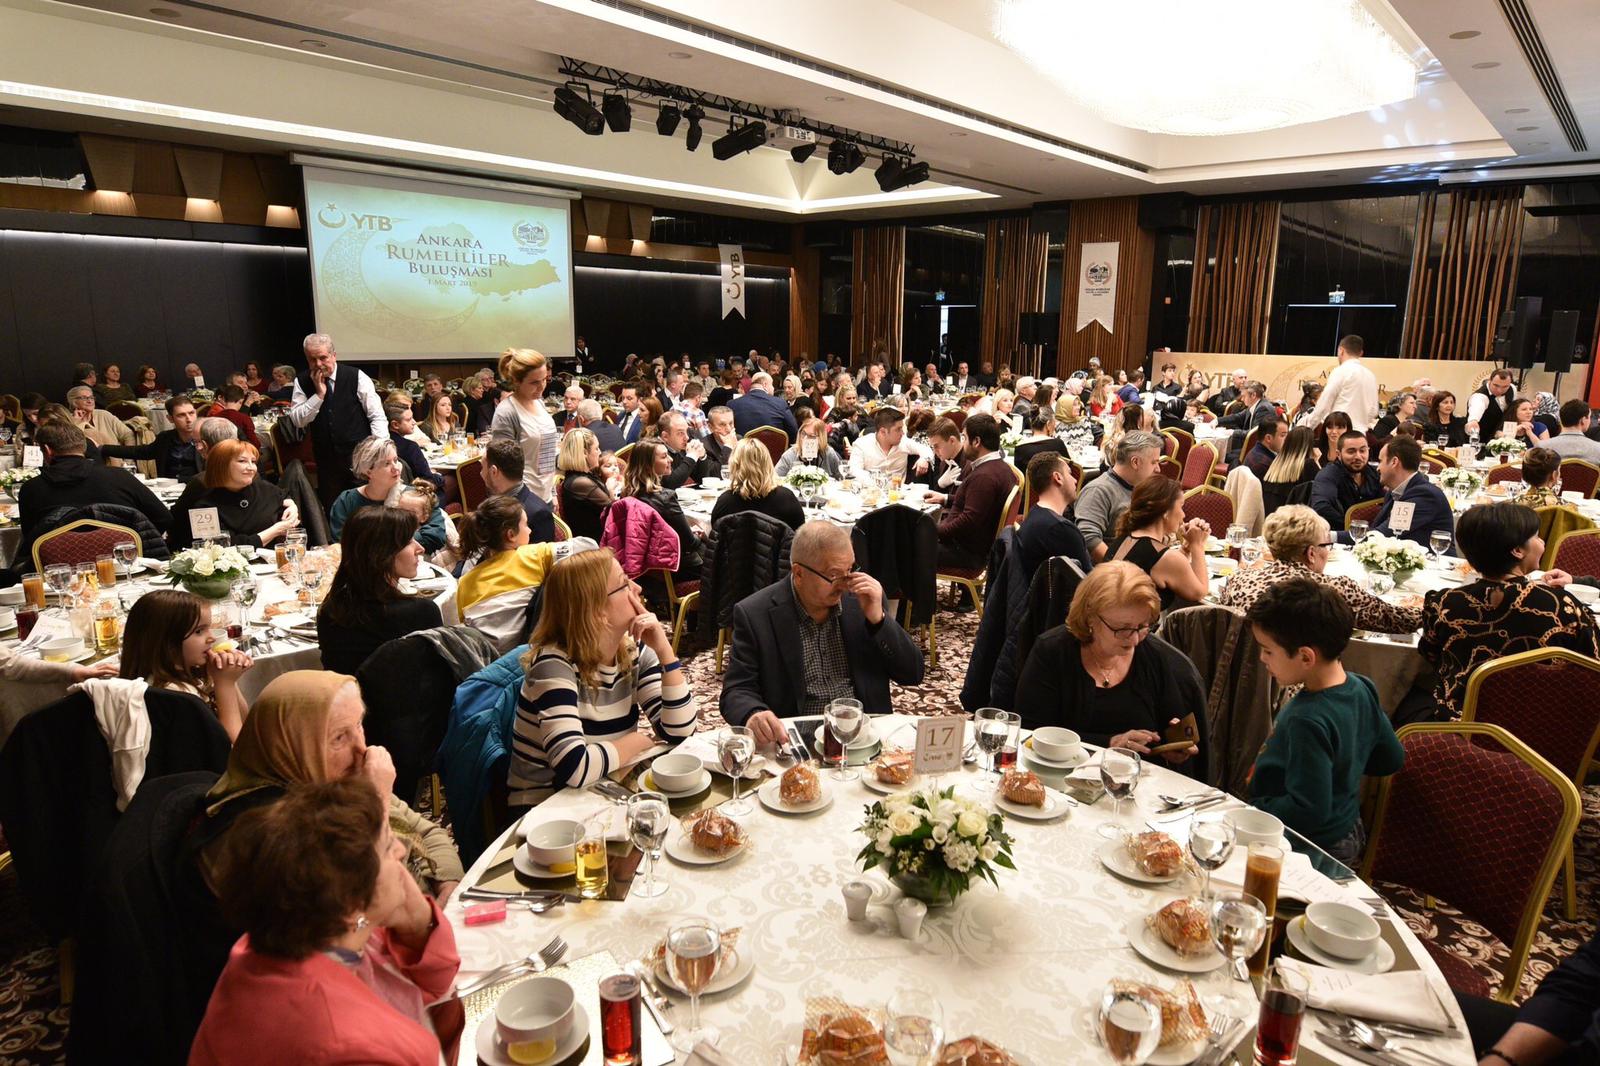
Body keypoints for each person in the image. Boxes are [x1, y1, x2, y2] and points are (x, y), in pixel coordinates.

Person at [188, 777, 459, 1066]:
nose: (401, 851)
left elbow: (438, 992)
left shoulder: (317, 930)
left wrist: (420, 925)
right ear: (352, 901)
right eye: (387, 846)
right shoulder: (349, 1050)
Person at [508, 548, 696, 805]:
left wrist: (665, 652)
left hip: (602, 789)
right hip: (546, 811)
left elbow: (680, 731)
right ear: (597, 610)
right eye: (624, 584)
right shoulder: (552, 666)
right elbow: (574, 768)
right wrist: (635, 741)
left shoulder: (634, 650)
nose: (637, 589)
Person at [1245, 579, 1404, 863]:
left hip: (1307, 845)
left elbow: (1308, 811)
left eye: (1268, 650)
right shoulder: (1361, 686)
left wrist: (1257, 809)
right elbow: (1390, 759)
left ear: (1306, 656)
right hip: (1348, 828)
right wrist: (1346, 763)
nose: (1262, 658)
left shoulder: (1305, 718)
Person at [721, 521, 923, 743]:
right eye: (834, 575)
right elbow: (737, 690)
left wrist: (879, 620)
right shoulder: (755, 614)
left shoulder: (863, 601)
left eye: (850, 570)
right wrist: (754, 714)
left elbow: (912, 673)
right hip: (797, 741)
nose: (844, 584)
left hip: (862, 739)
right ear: (798, 573)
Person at [1013, 562, 1203, 769]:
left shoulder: (1153, 656)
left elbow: (1168, 725)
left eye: (1141, 627)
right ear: (1090, 618)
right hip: (1060, 778)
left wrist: (1173, 747)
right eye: (1121, 629)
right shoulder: (1052, 652)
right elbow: (1031, 734)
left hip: (1137, 784)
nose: (1134, 641)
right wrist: (1109, 744)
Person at [1419, 502, 1599, 718]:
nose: (1542, 543)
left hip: (1457, 727)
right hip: (1539, 730)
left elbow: (1430, 653)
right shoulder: (1561, 606)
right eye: (1536, 537)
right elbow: (1592, 666)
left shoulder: (1444, 602)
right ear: (1517, 550)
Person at [1217, 505, 1421, 633]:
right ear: (1311, 553)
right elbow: (1397, 620)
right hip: (1303, 686)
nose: (1328, 550)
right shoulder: (1330, 591)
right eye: (1326, 545)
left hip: (1242, 682)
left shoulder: (1240, 580)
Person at [16, 420, 170, 568]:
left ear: (47, 450)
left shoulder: (31, 489)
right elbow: (163, 518)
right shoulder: (119, 477)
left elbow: (33, 540)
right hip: (126, 569)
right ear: (84, 447)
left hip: (62, 576)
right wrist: (131, 541)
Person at [318, 507, 443, 677]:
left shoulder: (331, 610)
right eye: (407, 541)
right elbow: (438, 679)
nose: (420, 548)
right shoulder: (421, 612)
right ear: (381, 553)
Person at [119, 588, 253, 741]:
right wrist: (225, 684)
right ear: (167, 643)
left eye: (209, 628)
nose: (211, 638)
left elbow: (244, 722)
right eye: (199, 631)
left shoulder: (189, 673)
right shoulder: (176, 696)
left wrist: (225, 676)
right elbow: (236, 750)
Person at [284, 334, 388, 512]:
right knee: (334, 509)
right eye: (312, 359)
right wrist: (318, 396)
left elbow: (376, 416)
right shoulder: (302, 381)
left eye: (323, 357)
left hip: (360, 457)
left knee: (366, 509)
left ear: (334, 355)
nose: (318, 364)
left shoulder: (356, 376)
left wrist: (378, 451)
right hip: (327, 461)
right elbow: (298, 420)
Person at [167, 440, 297, 552]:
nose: (251, 468)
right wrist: (276, 530)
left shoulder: (261, 487)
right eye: (242, 461)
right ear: (221, 465)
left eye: (253, 461)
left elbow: (283, 494)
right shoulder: (203, 504)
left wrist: (292, 506)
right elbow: (223, 548)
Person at [1104, 476, 1210, 611]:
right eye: (1181, 507)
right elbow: (1199, 592)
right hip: (1130, 629)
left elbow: (1160, 564)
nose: (1183, 515)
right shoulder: (1164, 557)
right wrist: (1197, 545)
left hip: (1108, 622)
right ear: (1166, 511)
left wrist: (1187, 547)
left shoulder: (1126, 537)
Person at [329, 437, 446, 553]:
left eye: (396, 460)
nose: (396, 468)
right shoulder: (346, 501)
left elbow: (436, 536)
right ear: (368, 471)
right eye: (386, 464)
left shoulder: (419, 495)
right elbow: (342, 545)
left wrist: (379, 542)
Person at [935, 414, 1015, 574]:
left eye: (964, 438)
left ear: (976, 442)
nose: (962, 444)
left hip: (966, 553)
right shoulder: (1000, 467)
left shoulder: (984, 476)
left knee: (907, 545)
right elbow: (977, 504)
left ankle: (912, 598)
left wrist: (935, 531)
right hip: (973, 547)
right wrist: (945, 499)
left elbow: (968, 520)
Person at [1341, 436, 1453, 549]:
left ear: (1394, 462)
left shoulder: (1425, 495)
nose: (1378, 468)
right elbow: (1376, 530)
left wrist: (1331, 536)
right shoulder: (1394, 491)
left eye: (1380, 461)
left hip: (1435, 563)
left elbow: (1381, 535)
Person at [620, 440, 702, 581]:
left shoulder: (626, 494)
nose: (670, 459)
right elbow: (691, 544)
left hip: (647, 571)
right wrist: (700, 536)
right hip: (678, 569)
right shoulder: (665, 498)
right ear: (648, 466)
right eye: (664, 457)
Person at [1075, 430, 1162, 562]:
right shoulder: (1098, 491)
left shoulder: (1141, 487)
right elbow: (1088, 538)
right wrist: (1123, 569)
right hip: (1115, 574)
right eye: (1154, 462)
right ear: (1135, 462)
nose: (1158, 469)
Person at [488, 346, 558, 501]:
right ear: (516, 381)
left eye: (544, 380)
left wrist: (552, 493)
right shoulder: (507, 412)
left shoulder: (538, 402)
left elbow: (547, 454)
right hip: (522, 501)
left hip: (544, 496)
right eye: (534, 382)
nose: (541, 387)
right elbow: (503, 469)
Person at [1013, 453, 1091, 580]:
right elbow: (1089, 584)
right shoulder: (1060, 530)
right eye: (1070, 473)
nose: (1075, 480)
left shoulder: (1034, 515)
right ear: (1058, 478)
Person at [100, 393, 204, 479]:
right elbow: (139, 452)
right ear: (170, 419)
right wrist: (103, 448)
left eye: (191, 413)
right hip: (168, 489)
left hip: (197, 489)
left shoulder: (207, 437)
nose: (189, 419)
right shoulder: (165, 438)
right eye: (181, 415)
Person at [711, 438, 805, 531]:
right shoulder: (786, 498)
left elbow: (716, 538)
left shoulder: (725, 503)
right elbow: (799, 536)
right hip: (778, 546)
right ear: (767, 463)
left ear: (735, 466)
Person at [480, 437, 555, 544]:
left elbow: (540, 559)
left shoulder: (538, 515)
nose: (481, 473)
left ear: (493, 472)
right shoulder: (491, 501)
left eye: (482, 468)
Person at [1309, 430, 1383, 531]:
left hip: (1373, 534)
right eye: (1351, 452)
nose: (1358, 456)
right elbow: (1321, 508)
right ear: (1338, 454)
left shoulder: (1374, 473)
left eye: (1362, 451)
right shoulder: (1328, 475)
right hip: (1337, 535)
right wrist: (1354, 527)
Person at [1307, 334, 1379, 432]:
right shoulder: (1370, 375)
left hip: (1340, 432)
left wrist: (1309, 427)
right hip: (1361, 434)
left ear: (1341, 350)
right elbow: (1374, 410)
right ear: (1361, 353)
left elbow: (1325, 402)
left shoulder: (1340, 371)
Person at [556, 427, 612, 541]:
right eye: (596, 449)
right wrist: (610, 488)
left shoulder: (583, 476)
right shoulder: (580, 483)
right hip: (593, 544)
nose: (600, 452)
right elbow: (613, 509)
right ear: (585, 453)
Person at [849, 407, 929, 480]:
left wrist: (924, 459)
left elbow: (926, 449)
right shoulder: (862, 444)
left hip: (899, 493)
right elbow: (854, 470)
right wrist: (877, 481)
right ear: (883, 431)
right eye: (898, 429)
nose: (902, 433)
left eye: (902, 428)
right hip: (871, 492)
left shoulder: (903, 441)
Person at [383, 397, 442, 491]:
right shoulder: (410, 447)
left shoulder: (380, 444)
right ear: (395, 425)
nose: (414, 422)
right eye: (409, 419)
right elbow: (428, 480)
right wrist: (438, 476)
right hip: (413, 493)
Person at [1261, 426, 1320, 516]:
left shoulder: (1275, 465)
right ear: (1309, 446)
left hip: (1272, 521)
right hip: (1294, 524)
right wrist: (1317, 461)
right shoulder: (1308, 465)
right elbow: (1323, 490)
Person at [729, 371, 798, 440]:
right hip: (774, 449)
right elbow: (794, 432)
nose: (773, 388)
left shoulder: (732, 404)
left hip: (743, 449)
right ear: (765, 385)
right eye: (772, 385)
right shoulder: (780, 403)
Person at [66, 384, 135, 450]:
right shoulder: (68, 420)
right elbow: (72, 445)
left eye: (91, 397)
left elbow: (128, 434)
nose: (90, 401)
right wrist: (76, 422)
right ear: (73, 402)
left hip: (116, 457)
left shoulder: (104, 414)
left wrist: (128, 460)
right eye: (84, 398)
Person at [1012, 407, 1070, 472]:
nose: (1055, 426)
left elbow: (1019, 475)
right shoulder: (1057, 444)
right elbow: (1069, 469)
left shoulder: (1020, 447)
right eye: (1054, 423)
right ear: (1048, 424)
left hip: (1030, 482)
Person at [1466, 367, 1517, 441]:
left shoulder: (1512, 389)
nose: (1500, 390)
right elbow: (1476, 410)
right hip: (1481, 440)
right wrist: (1473, 421)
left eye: (1505, 387)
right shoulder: (1479, 397)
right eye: (1496, 385)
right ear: (1489, 381)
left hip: (1503, 439)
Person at [1546, 399, 1600, 464]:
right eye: (1589, 417)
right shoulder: (1598, 449)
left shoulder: (1543, 447)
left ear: (1561, 419)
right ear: (1583, 420)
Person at [1242, 413, 1289, 481]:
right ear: (1268, 438)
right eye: (1283, 435)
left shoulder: (1261, 451)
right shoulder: (1262, 465)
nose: (1287, 439)